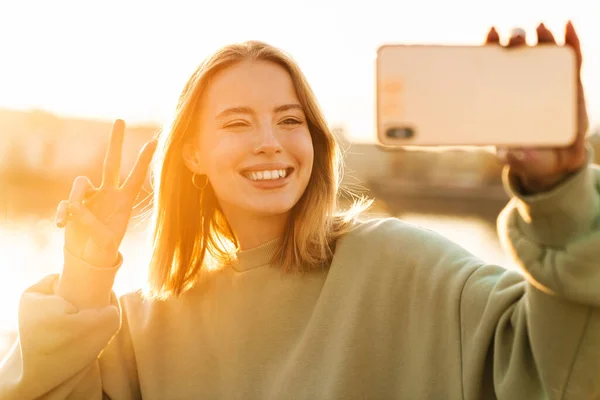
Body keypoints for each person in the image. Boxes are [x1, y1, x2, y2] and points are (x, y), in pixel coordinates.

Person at [0, 21, 598, 399]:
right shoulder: (146, 327)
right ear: (192, 157)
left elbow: (558, 365)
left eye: (290, 121)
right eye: (238, 122)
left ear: (316, 141)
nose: (271, 141)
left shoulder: (397, 263)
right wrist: (86, 273)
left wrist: (561, 193)